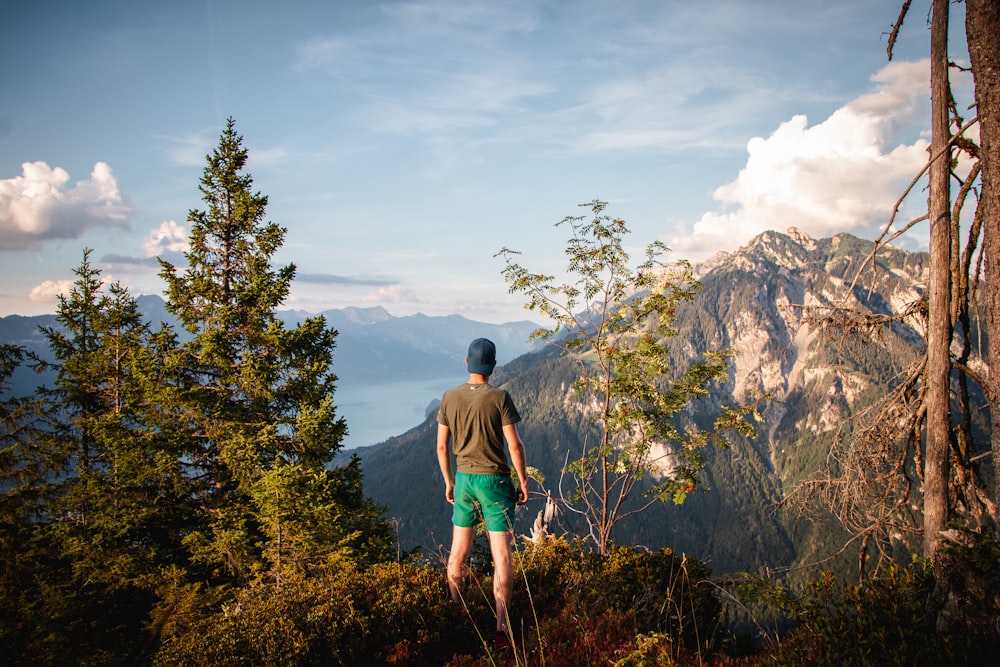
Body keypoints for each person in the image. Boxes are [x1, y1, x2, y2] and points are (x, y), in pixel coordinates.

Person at [436, 337, 529, 651]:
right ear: (492, 366)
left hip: (463, 480)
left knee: (457, 554)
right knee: (501, 556)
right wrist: (523, 481)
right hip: (495, 483)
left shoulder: (449, 397)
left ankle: (458, 616)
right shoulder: (500, 397)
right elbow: (514, 446)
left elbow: (441, 446)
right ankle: (501, 630)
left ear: (466, 362)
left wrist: (449, 481)